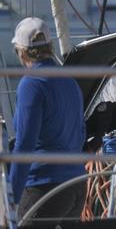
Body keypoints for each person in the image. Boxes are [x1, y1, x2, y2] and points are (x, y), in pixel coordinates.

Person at [10, 17, 86, 224]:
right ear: (50, 46)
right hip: (76, 184)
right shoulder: (70, 81)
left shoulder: (32, 84)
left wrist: (12, 195)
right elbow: (80, 133)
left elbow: (24, 145)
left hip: (45, 186)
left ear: (22, 52)